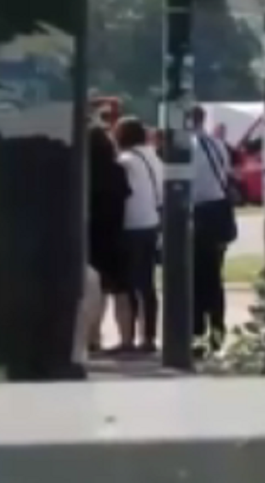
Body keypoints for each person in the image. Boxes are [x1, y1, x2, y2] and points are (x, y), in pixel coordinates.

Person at [114, 117, 164, 353]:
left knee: (129, 283)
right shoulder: (154, 156)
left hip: (131, 223)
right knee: (147, 284)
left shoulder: (125, 161)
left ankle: (130, 337)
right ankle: (149, 336)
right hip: (151, 222)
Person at [191, 105, 236, 351]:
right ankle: (217, 328)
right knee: (215, 276)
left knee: (196, 278)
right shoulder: (217, 144)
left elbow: (188, 184)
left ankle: (197, 330)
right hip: (220, 211)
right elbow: (226, 174)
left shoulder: (188, 147)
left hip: (200, 212)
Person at [86, 125, 130, 354]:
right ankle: (126, 338)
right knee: (120, 289)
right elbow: (126, 195)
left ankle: (93, 337)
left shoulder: (83, 171)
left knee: (94, 290)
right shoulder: (118, 170)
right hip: (116, 232)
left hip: (91, 234)